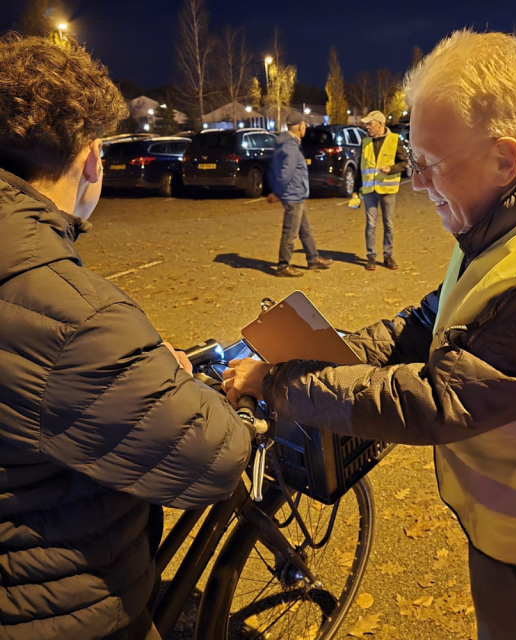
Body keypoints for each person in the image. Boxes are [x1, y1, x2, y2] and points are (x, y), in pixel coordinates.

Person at [224, 29, 516, 640]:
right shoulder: (512, 218)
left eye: (429, 164)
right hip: (513, 508)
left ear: (504, 157)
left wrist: (284, 382)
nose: (416, 182)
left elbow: (440, 399)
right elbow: (426, 325)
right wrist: (314, 351)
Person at [0, 34, 253, 640]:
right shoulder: (75, 317)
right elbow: (212, 455)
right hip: (54, 609)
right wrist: (169, 378)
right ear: (91, 160)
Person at [267, 112, 333, 277]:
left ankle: (313, 259)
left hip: (297, 193)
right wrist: (278, 192)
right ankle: (283, 265)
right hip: (293, 194)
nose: (306, 129)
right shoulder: (290, 146)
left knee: (305, 230)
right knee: (290, 231)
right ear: (300, 126)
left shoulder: (289, 143)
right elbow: (286, 172)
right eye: (305, 126)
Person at [349, 110, 408, 271]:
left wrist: (391, 169)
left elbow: (404, 163)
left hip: (388, 189)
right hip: (369, 190)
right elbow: (361, 167)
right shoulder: (365, 141)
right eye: (366, 124)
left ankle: (388, 256)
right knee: (371, 224)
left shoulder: (394, 140)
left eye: (370, 124)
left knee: (388, 223)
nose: (366, 126)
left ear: (380, 124)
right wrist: (356, 190)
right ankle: (371, 256)